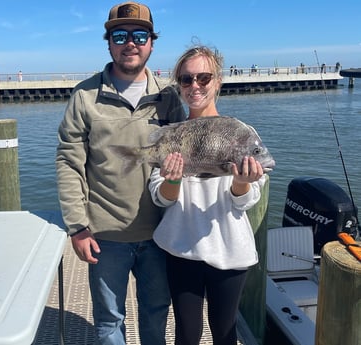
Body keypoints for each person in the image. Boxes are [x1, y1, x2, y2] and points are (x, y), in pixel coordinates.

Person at [55, 2, 186, 344]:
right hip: (105, 235)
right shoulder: (84, 96)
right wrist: (77, 227)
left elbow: (187, 153)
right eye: (120, 35)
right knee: (109, 321)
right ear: (109, 41)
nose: (131, 42)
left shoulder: (168, 98)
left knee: (157, 312)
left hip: (160, 234)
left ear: (152, 42)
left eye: (140, 34)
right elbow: (69, 162)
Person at [149, 46, 265, 345]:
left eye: (203, 77)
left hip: (229, 251)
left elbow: (247, 199)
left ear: (218, 81)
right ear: (178, 85)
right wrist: (172, 181)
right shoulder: (171, 134)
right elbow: (160, 198)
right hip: (181, 248)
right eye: (186, 79)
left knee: (224, 329)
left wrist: (241, 182)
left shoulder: (240, 132)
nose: (195, 86)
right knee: (187, 333)